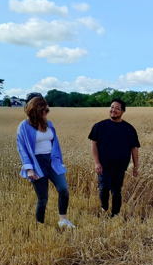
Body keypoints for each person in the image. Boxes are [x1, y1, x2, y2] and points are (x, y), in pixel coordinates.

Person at [16, 96, 75, 228]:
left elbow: (55, 144)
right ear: (35, 110)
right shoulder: (24, 126)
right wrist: (29, 169)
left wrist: (58, 160)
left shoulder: (49, 124)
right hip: (37, 164)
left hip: (52, 161)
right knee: (43, 198)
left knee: (63, 189)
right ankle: (40, 225)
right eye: (43, 110)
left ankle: (63, 220)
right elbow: (22, 149)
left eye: (47, 110)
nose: (46, 112)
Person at [88, 98, 140, 217]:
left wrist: (136, 167)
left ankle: (115, 214)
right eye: (112, 107)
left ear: (122, 111)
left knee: (116, 191)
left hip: (120, 166)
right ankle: (104, 209)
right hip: (103, 165)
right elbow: (94, 144)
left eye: (117, 108)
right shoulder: (99, 126)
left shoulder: (129, 129)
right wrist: (97, 163)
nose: (113, 110)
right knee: (103, 188)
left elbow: (134, 148)